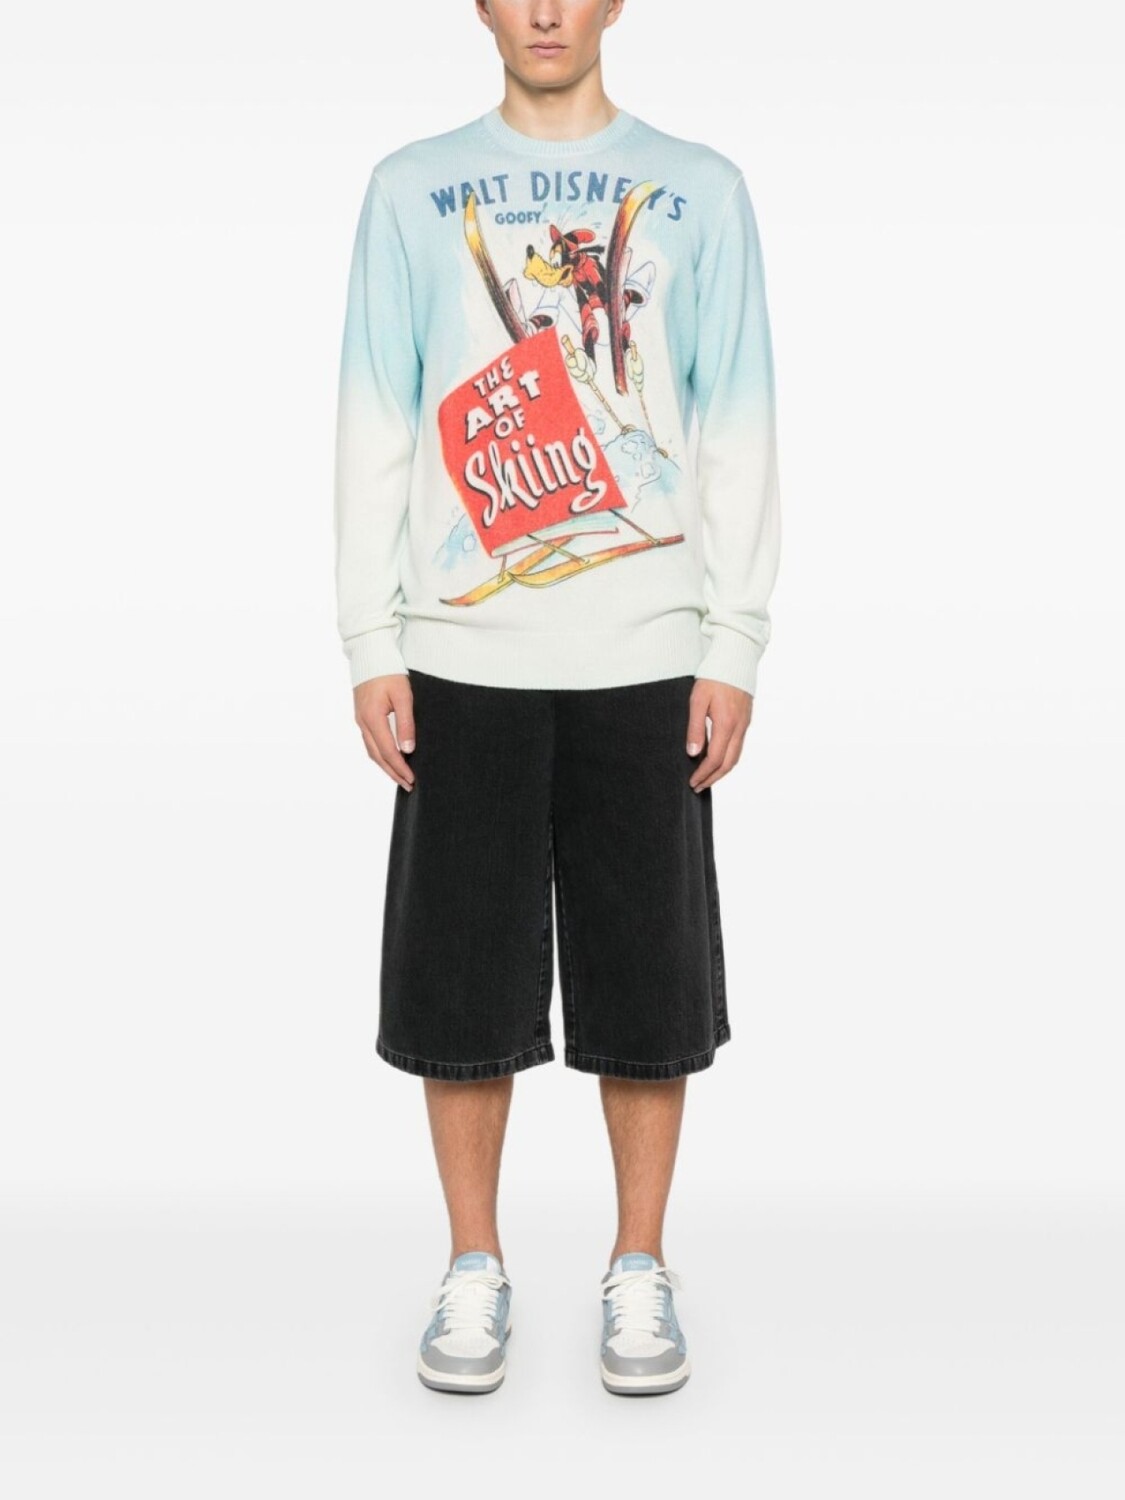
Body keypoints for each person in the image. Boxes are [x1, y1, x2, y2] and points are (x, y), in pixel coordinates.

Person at [332, 0, 780, 1397]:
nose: (544, 10)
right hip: (462, 651)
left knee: (647, 977)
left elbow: (737, 422)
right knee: (458, 977)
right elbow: (376, 419)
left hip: (646, 651)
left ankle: (638, 1264)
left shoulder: (701, 192)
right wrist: (369, 636)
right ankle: (473, 1263)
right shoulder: (408, 190)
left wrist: (733, 641)